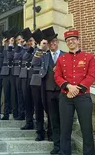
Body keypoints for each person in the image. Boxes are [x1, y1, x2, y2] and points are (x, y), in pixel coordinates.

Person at [54, 30, 95, 155]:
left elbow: (91, 75)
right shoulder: (62, 59)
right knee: (65, 128)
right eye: (68, 40)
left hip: (83, 97)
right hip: (65, 97)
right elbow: (57, 76)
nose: (70, 42)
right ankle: (64, 152)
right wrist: (68, 87)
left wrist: (77, 89)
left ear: (78, 40)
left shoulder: (89, 57)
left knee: (86, 128)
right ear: (66, 43)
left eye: (73, 39)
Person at [33, 26, 65, 154]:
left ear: (57, 42)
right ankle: (56, 146)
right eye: (49, 42)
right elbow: (34, 62)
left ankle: (63, 146)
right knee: (53, 119)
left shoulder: (65, 55)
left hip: (63, 92)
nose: (52, 44)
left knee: (63, 119)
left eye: (54, 42)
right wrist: (41, 47)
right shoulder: (44, 56)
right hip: (48, 91)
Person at [19, 28, 37, 130]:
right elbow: (23, 58)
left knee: (36, 101)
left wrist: (34, 49)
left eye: (31, 41)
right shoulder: (23, 50)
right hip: (25, 77)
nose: (30, 43)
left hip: (34, 77)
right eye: (28, 41)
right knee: (27, 100)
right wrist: (29, 50)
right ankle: (29, 122)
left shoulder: (39, 50)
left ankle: (38, 122)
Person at [12, 27, 31, 120]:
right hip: (18, 74)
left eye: (21, 39)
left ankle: (29, 114)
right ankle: (21, 113)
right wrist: (19, 46)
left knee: (26, 94)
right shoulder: (17, 49)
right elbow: (15, 57)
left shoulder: (28, 48)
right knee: (19, 94)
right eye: (18, 40)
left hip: (26, 73)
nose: (20, 41)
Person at [1, 27, 20, 120]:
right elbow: (0, 55)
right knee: (6, 94)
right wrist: (3, 44)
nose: (11, 41)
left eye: (12, 40)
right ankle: (5, 114)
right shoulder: (4, 49)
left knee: (14, 94)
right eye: (10, 40)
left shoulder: (16, 49)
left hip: (13, 73)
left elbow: (11, 57)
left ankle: (15, 113)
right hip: (5, 74)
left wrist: (11, 45)